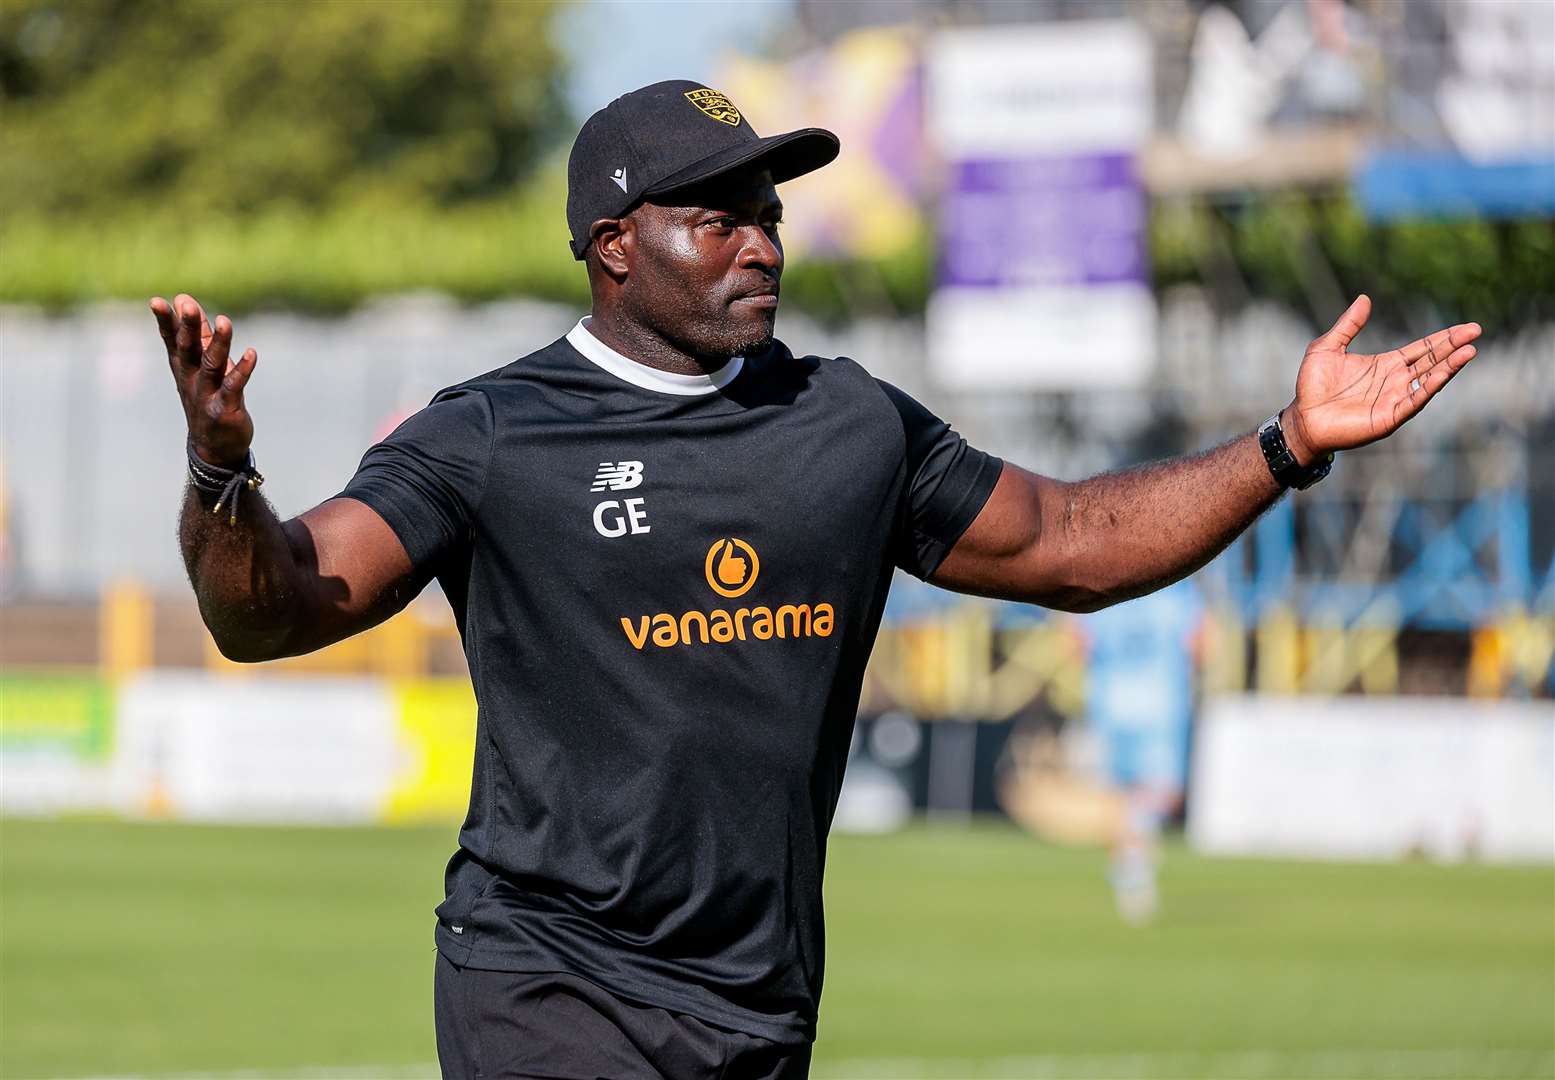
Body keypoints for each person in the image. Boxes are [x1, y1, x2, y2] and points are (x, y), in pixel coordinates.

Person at [151, 80, 1480, 1078]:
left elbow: (1073, 543)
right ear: (613, 245)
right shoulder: (491, 433)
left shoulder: (848, 422)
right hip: (542, 980)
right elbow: (276, 608)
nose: (759, 242)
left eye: (769, 214)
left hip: (759, 998)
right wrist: (223, 476)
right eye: (715, 216)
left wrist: (1282, 445)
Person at [1078, 575, 1206, 924]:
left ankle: (1132, 859)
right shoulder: (1178, 590)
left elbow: (1075, 644)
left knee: (1121, 798)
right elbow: (1201, 644)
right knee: (1163, 794)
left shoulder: (1104, 588)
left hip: (1109, 704)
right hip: (1161, 704)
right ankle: (1135, 859)